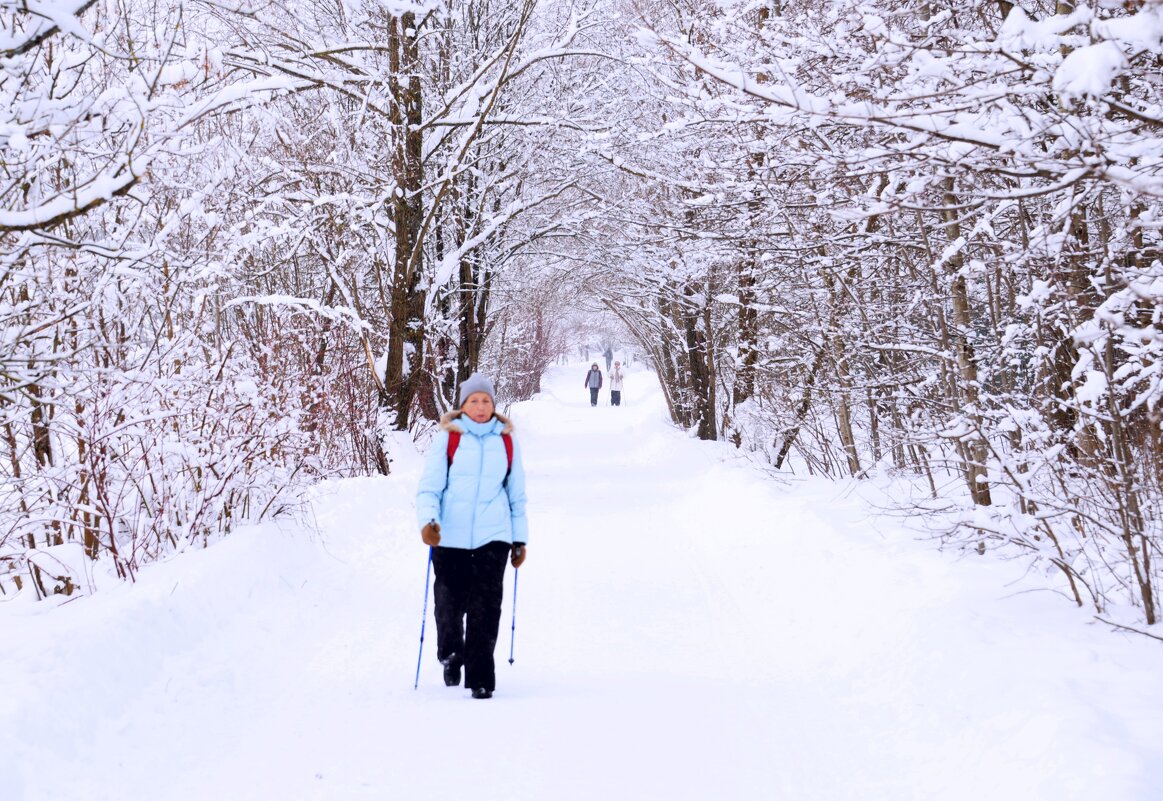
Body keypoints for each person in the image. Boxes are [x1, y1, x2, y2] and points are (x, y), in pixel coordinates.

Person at [416, 373, 528, 700]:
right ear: (463, 406)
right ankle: (452, 654)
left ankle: (481, 677)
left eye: (486, 401)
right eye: (474, 401)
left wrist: (519, 540)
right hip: (450, 536)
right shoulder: (448, 439)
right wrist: (429, 522)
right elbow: (429, 487)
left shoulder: (506, 441)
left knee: (486, 607)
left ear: (494, 406)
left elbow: (516, 494)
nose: (480, 407)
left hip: (494, 536)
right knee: (448, 605)